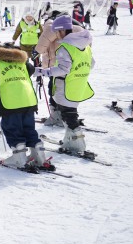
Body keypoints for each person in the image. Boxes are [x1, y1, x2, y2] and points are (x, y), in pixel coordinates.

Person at [0, 41, 53, 171]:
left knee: (12, 128)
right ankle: (39, 154)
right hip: (28, 100)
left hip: (10, 101)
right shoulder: (21, 61)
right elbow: (31, 69)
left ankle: (19, 157)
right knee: (29, 128)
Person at [34, 15, 95, 155]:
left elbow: (63, 69)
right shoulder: (84, 46)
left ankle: (78, 144)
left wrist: (43, 72)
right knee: (70, 113)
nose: (56, 34)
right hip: (79, 85)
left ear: (62, 30)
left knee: (68, 115)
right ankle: (70, 139)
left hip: (66, 86)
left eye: (57, 31)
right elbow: (91, 64)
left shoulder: (65, 48)